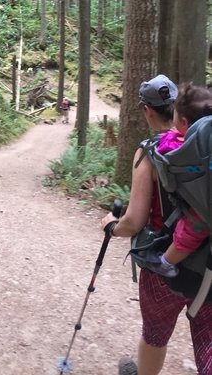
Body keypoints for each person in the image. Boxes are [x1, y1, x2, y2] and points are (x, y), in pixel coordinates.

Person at [100, 74, 212, 375]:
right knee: (208, 345)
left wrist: (113, 225)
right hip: (210, 264)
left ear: (147, 110)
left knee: (155, 334)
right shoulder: (207, 149)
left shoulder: (150, 151)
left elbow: (134, 221)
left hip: (164, 268)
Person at [140, 83, 212, 279]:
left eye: (175, 116)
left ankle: (166, 262)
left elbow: (165, 158)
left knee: (191, 229)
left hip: (202, 207)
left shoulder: (177, 146)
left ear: (183, 122)